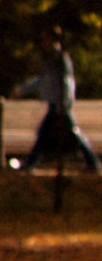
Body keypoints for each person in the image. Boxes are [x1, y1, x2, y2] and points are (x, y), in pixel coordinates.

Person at [13, 29, 100, 173]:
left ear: (53, 39)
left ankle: (30, 164)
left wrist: (64, 104)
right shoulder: (51, 58)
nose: (43, 43)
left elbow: (67, 83)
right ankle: (92, 163)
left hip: (60, 105)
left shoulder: (60, 58)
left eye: (45, 39)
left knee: (55, 134)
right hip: (56, 104)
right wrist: (22, 90)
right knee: (49, 134)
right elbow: (42, 80)